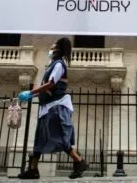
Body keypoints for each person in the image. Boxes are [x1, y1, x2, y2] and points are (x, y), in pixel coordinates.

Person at [17, 37, 89, 179]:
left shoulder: (59, 65)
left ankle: (79, 161)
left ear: (58, 50)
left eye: (53, 47)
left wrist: (31, 92)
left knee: (59, 137)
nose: (50, 50)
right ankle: (33, 169)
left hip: (56, 107)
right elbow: (47, 87)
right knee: (39, 138)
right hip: (47, 107)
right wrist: (35, 95)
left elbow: (51, 84)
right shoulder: (52, 65)